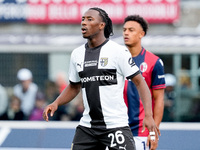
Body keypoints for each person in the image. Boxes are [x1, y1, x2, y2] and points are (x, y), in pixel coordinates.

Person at [43, 7, 158, 150]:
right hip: (87, 128)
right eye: (83, 19)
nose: (84, 23)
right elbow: (74, 86)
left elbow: (140, 82)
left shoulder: (118, 51)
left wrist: (148, 115)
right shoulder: (77, 54)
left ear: (101, 25)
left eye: (89, 19)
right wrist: (56, 103)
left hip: (115, 126)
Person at [123, 15, 165, 150]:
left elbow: (159, 99)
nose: (126, 33)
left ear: (142, 34)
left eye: (131, 30)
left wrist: (153, 133)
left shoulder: (154, 62)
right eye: (124, 30)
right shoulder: (115, 60)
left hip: (141, 131)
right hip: (116, 127)